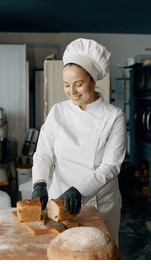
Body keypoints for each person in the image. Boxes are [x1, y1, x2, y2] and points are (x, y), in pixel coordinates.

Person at [31, 38, 126, 245]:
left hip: (99, 204)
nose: (72, 91)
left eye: (79, 84)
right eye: (66, 85)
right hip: (59, 202)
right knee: (62, 254)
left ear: (93, 80)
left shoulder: (114, 116)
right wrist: (39, 182)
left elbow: (110, 166)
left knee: (99, 256)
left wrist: (79, 190)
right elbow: (44, 153)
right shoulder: (57, 111)